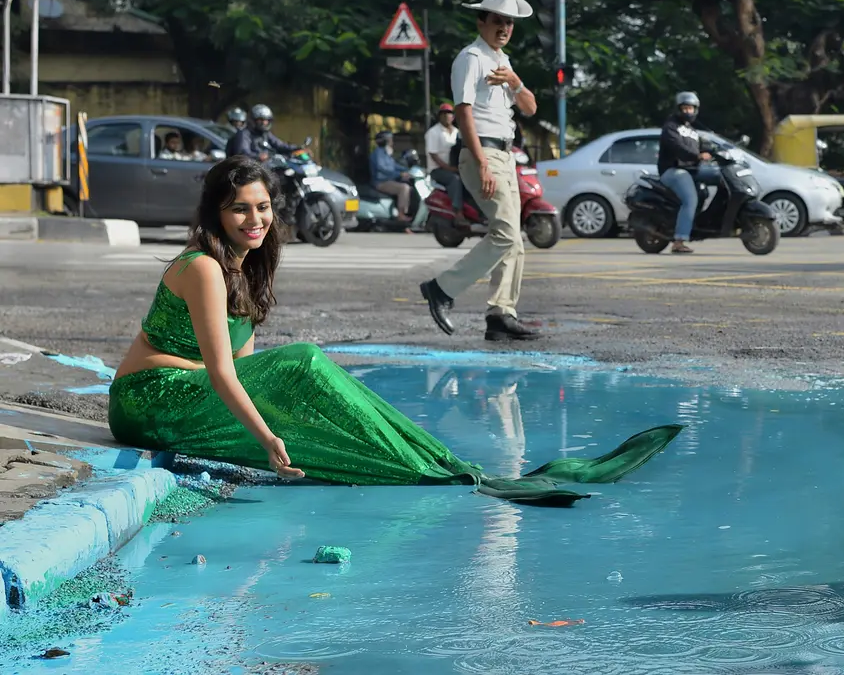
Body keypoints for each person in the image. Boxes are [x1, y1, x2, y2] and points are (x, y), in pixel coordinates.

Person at [106, 155, 682, 505]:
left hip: (188, 396)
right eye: (239, 210)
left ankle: (434, 462)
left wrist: (283, 421)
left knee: (303, 378)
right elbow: (225, 372)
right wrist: (269, 439)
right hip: (146, 402)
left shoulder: (245, 265)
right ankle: (430, 464)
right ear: (214, 215)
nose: (255, 220)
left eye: (262, 208)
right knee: (303, 363)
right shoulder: (204, 267)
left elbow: (248, 367)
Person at [420, 0, 540, 343]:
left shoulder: (503, 63)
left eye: (509, 23)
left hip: (505, 154)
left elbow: (531, 108)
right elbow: (463, 111)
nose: (504, 28)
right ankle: (442, 289)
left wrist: (516, 83)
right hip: (483, 153)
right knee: (505, 233)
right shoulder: (471, 58)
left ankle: (501, 313)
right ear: (481, 21)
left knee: (513, 238)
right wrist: (483, 163)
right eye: (498, 21)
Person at [657, 91, 717, 254]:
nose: (688, 111)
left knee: (721, 176)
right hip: (673, 170)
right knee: (690, 199)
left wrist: (712, 150)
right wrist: (697, 155)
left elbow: (703, 143)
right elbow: (677, 147)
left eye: (691, 108)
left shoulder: (691, 129)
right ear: (678, 108)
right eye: (685, 108)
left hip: (691, 170)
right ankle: (679, 241)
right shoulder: (671, 127)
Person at [425, 103, 466, 226]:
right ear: (440, 116)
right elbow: (434, 155)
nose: (447, 116)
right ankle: (458, 211)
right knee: (455, 180)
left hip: (456, 167)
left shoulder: (457, 132)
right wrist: (449, 168)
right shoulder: (433, 132)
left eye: (449, 113)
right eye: (444, 114)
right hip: (438, 170)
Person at [369, 130, 414, 222]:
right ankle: (401, 215)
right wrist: (399, 174)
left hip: (388, 180)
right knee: (404, 188)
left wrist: (407, 170)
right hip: (381, 182)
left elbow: (394, 166)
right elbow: (384, 169)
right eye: (390, 139)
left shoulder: (386, 153)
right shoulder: (379, 153)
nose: (392, 141)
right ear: (385, 141)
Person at [227, 104, 297, 161]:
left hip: (264, 167)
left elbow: (280, 145)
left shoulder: (265, 133)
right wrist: (258, 156)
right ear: (253, 120)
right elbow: (242, 153)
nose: (264, 122)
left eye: (266, 120)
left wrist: (298, 148)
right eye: (261, 119)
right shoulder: (244, 134)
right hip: (248, 170)